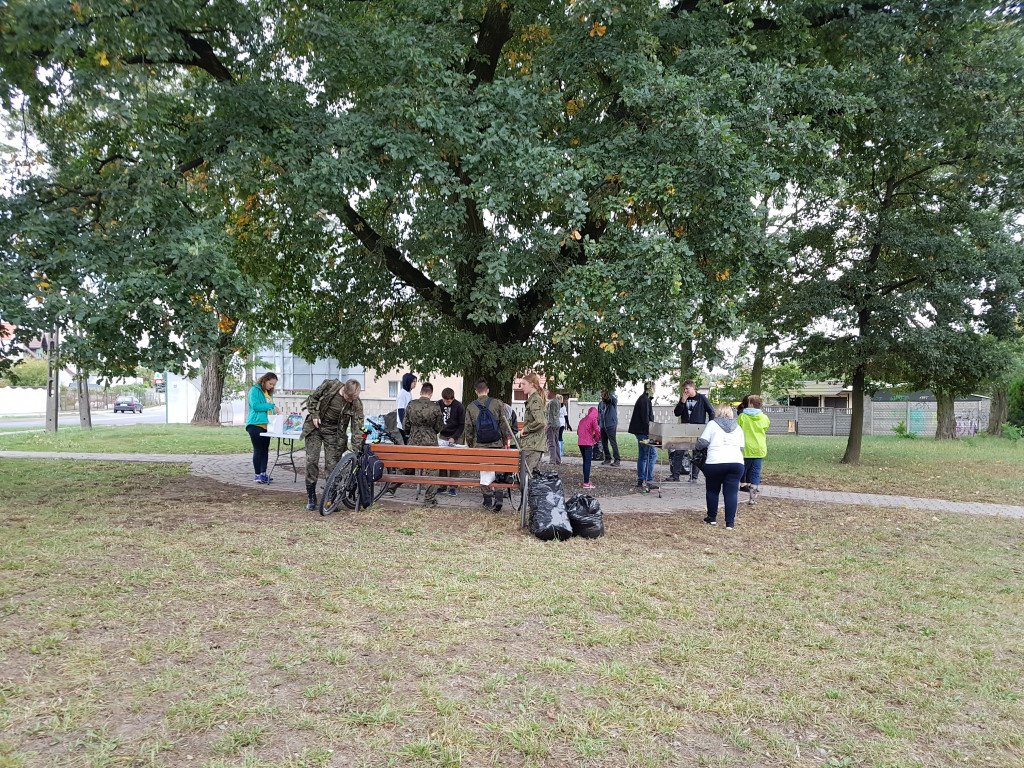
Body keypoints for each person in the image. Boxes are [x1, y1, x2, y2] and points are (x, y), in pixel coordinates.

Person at [301, 378, 364, 511]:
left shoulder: (356, 403)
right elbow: (312, 399)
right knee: (312, 461)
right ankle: (311, 496)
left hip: (334, 434)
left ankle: (331, 497)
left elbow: (357, 428)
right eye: (348, 398)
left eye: (353, 399)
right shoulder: (331, 386)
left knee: (332, 465)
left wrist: (357, 449)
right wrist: (315, 415)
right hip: (315, 428)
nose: (350, 401)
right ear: (344, 390)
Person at [464, 378, 512, 511]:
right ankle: (499, 498)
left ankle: (487, 500)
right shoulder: (497, 403)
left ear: (475, 391)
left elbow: (468, 428)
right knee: (498, 471)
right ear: (488, 390)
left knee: (485, 472)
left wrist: (471, 444)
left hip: (480, 445)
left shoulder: (471, 406)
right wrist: (503, 442)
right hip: (496, 443)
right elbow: (503, 425)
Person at [697, 403, 746, 530]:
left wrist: (697, 445)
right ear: (731, 413)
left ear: (718, 413)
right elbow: (741, 447)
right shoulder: (738, 428)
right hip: (736, 462)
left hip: (715, 462)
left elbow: (702, 442)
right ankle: (730, 522)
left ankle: (712, 518)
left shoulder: (712, 424)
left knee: (713, 491)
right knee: (731, 493)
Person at [404, 382, 444, 507]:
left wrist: (411, 432)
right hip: (430, 441)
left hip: (413, 441)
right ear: (431, 394)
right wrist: (432, 432)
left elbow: (406, 424)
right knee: (432, 469)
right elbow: (439, 426)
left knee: (406, 464)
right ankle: (429, 499)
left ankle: (391, 489)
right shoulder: (435, 406)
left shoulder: (411, 404)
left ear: (420, 392)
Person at [669, 379, 716, 483]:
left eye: (687, 389)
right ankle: (675, 475)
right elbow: (677, 413)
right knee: (679, 451)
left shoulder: (702, 399)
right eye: (684, 389)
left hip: (697, 429)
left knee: (697, 453)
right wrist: (682, 402)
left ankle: (694, 477)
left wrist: (710, 425)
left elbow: (711, 411)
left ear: (693, 388)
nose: (685, 391)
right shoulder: (683, 399)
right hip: (685, 429)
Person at [737, 394, 771, 505]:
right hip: (759, 449)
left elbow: (738, 429)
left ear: (751, 404)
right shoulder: (764, 418)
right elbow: (765, 427)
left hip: (745, 449)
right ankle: (752, 499)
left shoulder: (742, 417)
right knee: (756, 473)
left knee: (742, 470)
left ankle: (735, 489)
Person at [246, 372, 278, 484]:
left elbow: (270, 408)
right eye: (270, 383)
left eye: (274, 385)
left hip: (266, 425)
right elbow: (256, 406)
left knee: (265, 450)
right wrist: (271, 406)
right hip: (255, 424)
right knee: (258, 449)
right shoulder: (255, 390)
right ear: (264, 381)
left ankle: (263, 473)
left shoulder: (268, 393)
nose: (272, 386)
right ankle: (257, 474)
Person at [627, 382, 658, 494]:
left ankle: (642, 479)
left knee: (644, 455)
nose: (655, 390)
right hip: (643, 431)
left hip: (640, 431)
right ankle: (647, 479)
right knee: (651, 454)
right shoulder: (645, 400)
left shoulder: (644, 399)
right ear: (650, 388)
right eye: (654, 388)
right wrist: (650, 432)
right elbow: (646, 418)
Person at [437, 387, 466, 497]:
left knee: (454, 461)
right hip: (443, 435)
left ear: (453, 399)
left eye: (448, 401)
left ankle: (453, 486)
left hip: (455, 436)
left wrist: (454, 437)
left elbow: (462, 425)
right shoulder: (439, 404)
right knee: (442, 461)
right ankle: (442, 485)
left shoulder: (459, 407)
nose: (446, 403)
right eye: (444, 400)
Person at [518, 373, 547, 480]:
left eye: (524, 384)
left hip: (533, 445)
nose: (521, 387)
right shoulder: (533, 399)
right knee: (527, 478)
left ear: (532, 384)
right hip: (531, 444)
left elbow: (540, 421)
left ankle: (528, 497)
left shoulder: (535, 400)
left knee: (527, 478)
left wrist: (525, 429)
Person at [576, 406, 600, 488]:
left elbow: (578, 431)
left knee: (585, 461)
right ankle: (586, 482)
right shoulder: (593, 419)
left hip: (581, 443)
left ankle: (586, 480)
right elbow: (597, 430)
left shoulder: (582, 420)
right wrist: (596, 439)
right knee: (588, 462)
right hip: (588, 443)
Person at [598, 389, 621, 466]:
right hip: (602, 426)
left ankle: (617, 459)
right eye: (601, 393)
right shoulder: (600, 404)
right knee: (604, 443)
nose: (602, 395)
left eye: (603, 393)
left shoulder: (612, 402)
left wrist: (609, 391)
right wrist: (599, 424)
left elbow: (614, 399)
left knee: (613, 443)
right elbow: (599, 414)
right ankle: (607, 458)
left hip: (611, 425)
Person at [395, 372, 417, 438]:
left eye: (415, 382)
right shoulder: (402, 394)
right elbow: (400, 410)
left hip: (408, 423)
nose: (415, 384)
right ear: (408, 381)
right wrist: (404, 425)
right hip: (403, 425)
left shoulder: (408, 393)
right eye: (413, 381)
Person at [545, 389, 562, 464]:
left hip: (551, 425)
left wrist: (547, 425)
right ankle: (557, 459)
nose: (547, 394)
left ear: (552, 393)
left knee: (551, 442)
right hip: (557, 424)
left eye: (548, 392)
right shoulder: (557, 402)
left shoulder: (551, 402)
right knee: (556, 442)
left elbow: (550, 415)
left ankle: (552, 460)